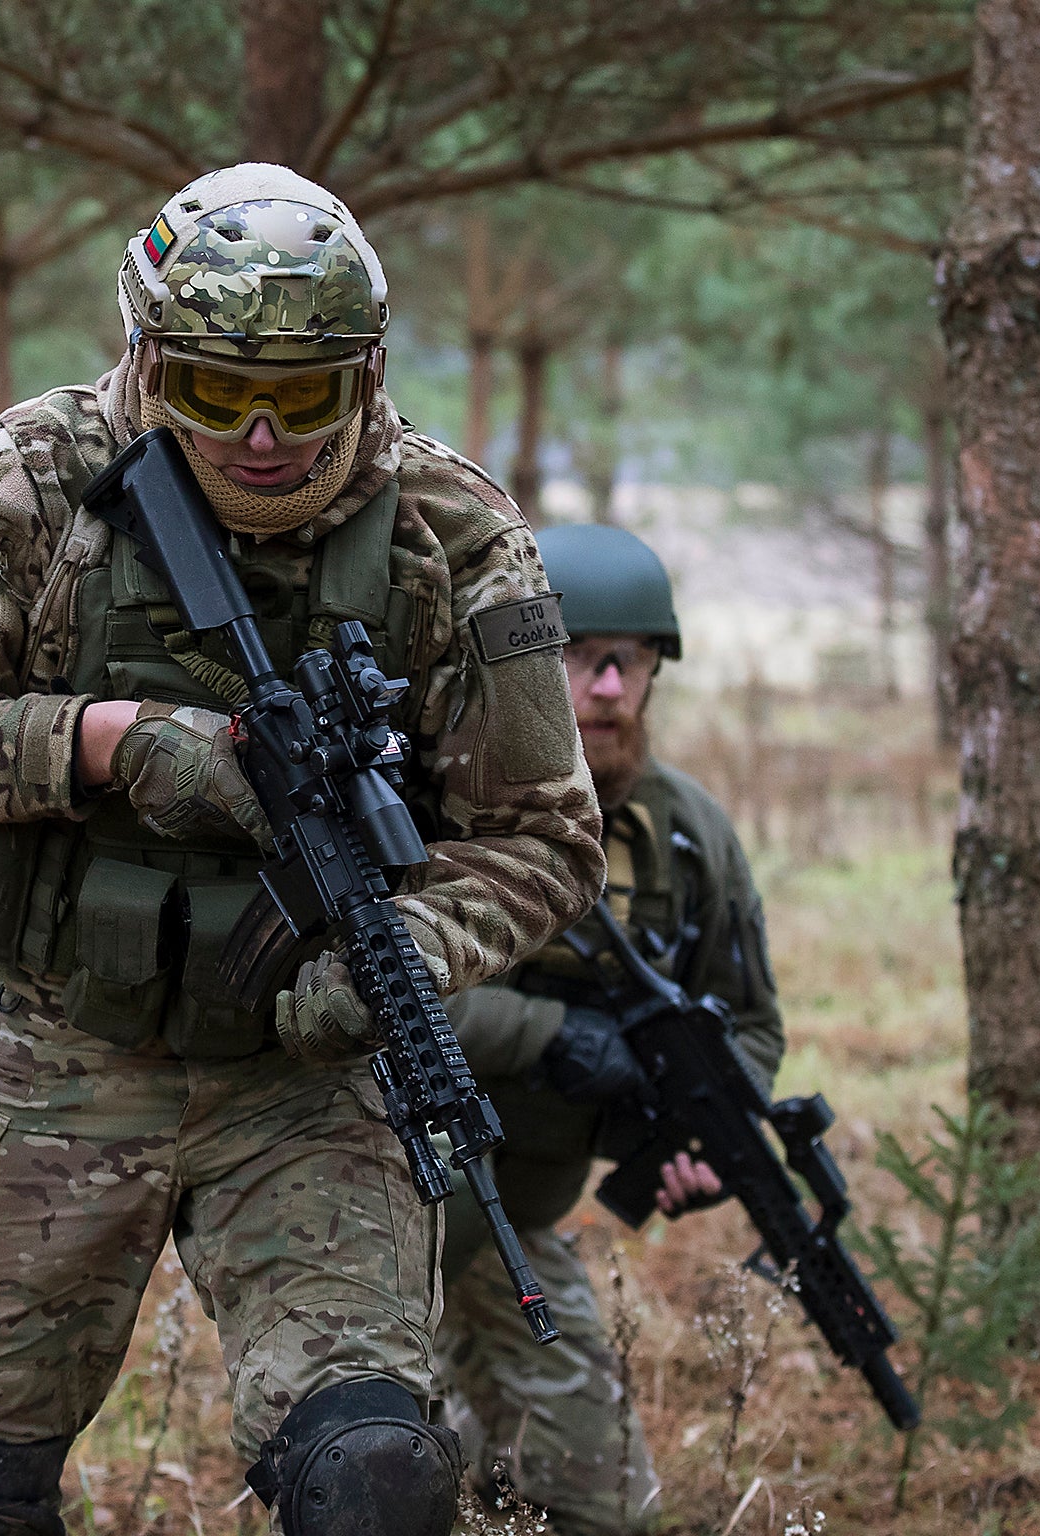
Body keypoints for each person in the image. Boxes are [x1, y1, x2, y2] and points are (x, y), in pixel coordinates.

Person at [0, 162, 605, 1536]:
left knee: (376, 1479)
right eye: (212, 391)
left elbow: (544, 836)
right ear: (145, 358)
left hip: (307, 1076)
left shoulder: (454, 533)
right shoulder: (37, 480)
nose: (258, 436)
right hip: (60, 1045)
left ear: (363, 374)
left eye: (303, 399)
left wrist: (415, 948)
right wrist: (106, 742)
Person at [430, 523, 785, 1534]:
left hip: (515, 1211)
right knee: (359, 1470)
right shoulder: (439, 799)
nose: (608, 688)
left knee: (598, 1503)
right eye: (580, 660)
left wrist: (691, 1132)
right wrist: (545, 1037)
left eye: (630, 663)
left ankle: (461, 1437)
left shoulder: (686, 833)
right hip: (367, 1198)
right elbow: (368, 988)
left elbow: (749, 1025)